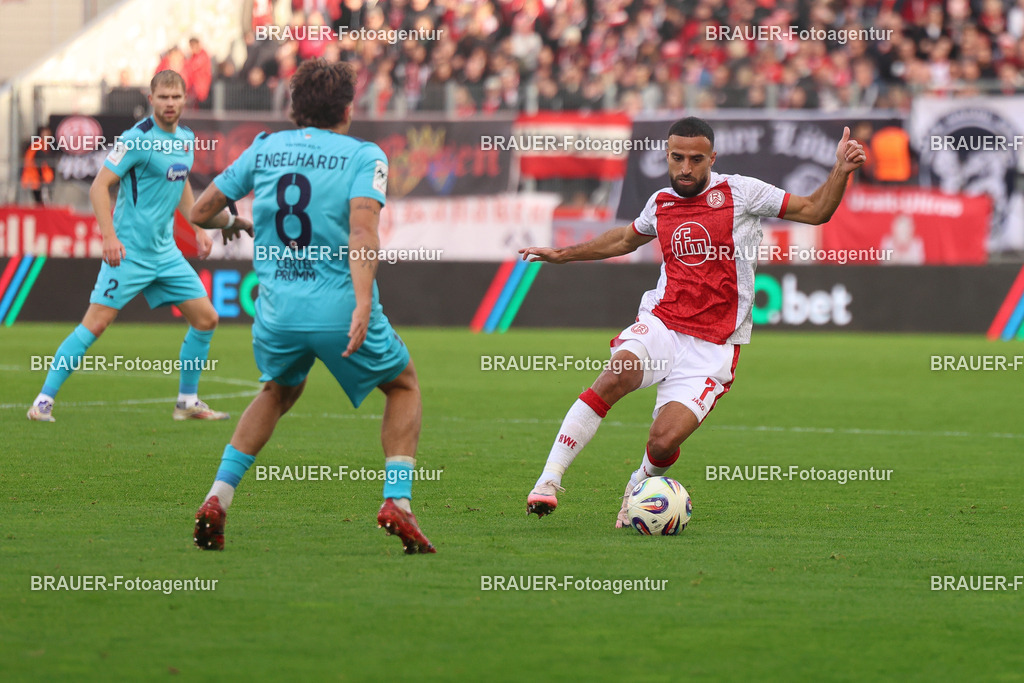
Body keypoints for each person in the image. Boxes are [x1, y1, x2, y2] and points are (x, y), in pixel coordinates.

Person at [521, 116, 866, 527]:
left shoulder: (741, 192)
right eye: (677, 158)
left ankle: (640, 483)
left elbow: (814, 211)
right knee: (616, 375)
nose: (685, 168)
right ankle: (548, 480)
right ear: (668, 155)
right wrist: (564, 254)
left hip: (714, 346)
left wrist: (840, 171)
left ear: (712, 158)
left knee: (663, 441)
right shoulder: (661, 202)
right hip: (663, 323)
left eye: (696, 159)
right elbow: (623, 240)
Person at [188, 58, 435, 554]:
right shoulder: (364, 155)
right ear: (347, 109)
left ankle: (218, 496)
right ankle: (398, 503)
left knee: (278, 390)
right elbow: (364, 230)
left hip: (276, 312)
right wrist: (363, 302)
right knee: (403, 385)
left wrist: (234, 225)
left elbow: (200, 211)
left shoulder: (263, 147)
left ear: (293, 107)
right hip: (339, 308)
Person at [27, 71, 234, 423]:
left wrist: (197, 226)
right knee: (95, 324)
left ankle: (187, 403)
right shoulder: (135, 139)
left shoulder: (185, 138)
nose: (170, 103)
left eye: (176, 97)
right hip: (129, 254)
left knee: (207, 318)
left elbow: (180, 182)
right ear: (151, 100)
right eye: (163, 97)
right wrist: (109, 236)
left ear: (186, 100)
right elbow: (98, 187)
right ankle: (43, 401)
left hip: (165, 253)